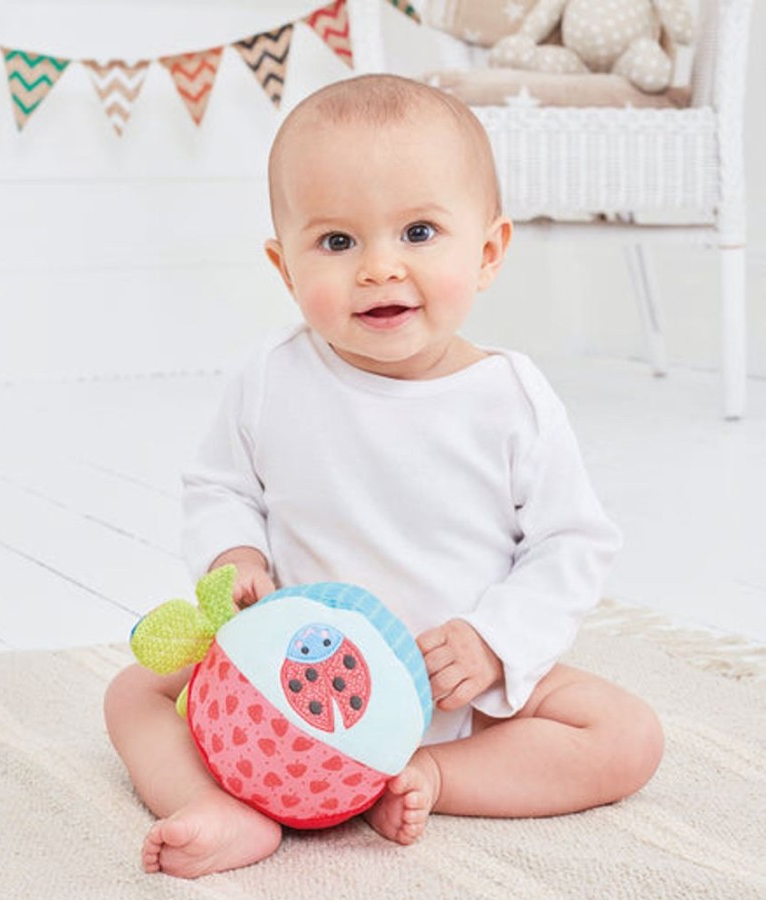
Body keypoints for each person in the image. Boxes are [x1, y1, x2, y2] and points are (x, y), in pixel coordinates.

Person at [104, 73, 664, 880]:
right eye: (337, 242)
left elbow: (571, 542)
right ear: (284, 265)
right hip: (287, 689)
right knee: (134, 691)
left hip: (451, 697)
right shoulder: (272, 376)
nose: (379, 268)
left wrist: (495, 642)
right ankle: (218, 802)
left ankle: (430, 779)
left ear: (489, 251)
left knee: (624, 734)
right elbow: (221, 487)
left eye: (420, 232)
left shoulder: (510, 400)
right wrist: (236, 559)